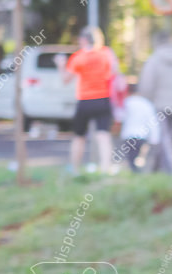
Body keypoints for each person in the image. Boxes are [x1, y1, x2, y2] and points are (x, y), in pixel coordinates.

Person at [55, 26, 117, 174]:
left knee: (79, 136)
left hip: (85, 100)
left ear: (83, 40)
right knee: (103, 135)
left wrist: (60, 65)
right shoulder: (106, 53)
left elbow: (65, 79)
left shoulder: (78, 57)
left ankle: (75, 169)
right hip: (103, 99)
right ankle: (105, 168)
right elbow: (114, 71)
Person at [138, 31, 172, 173]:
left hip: (158, 105)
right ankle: (156, 171)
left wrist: (146, 101)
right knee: (164, 138)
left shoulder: (154, 60)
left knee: (163, 139)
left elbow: (147, 85)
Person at [115, 84, 160, 172]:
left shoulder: (126, 102)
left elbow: (119, 117)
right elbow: (153, 121)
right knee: (140, 158)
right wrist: (155, 139)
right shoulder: (146, 103)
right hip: (142, 135)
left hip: (129, 135)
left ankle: (134, 173)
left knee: (131, 158)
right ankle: (138, 173)